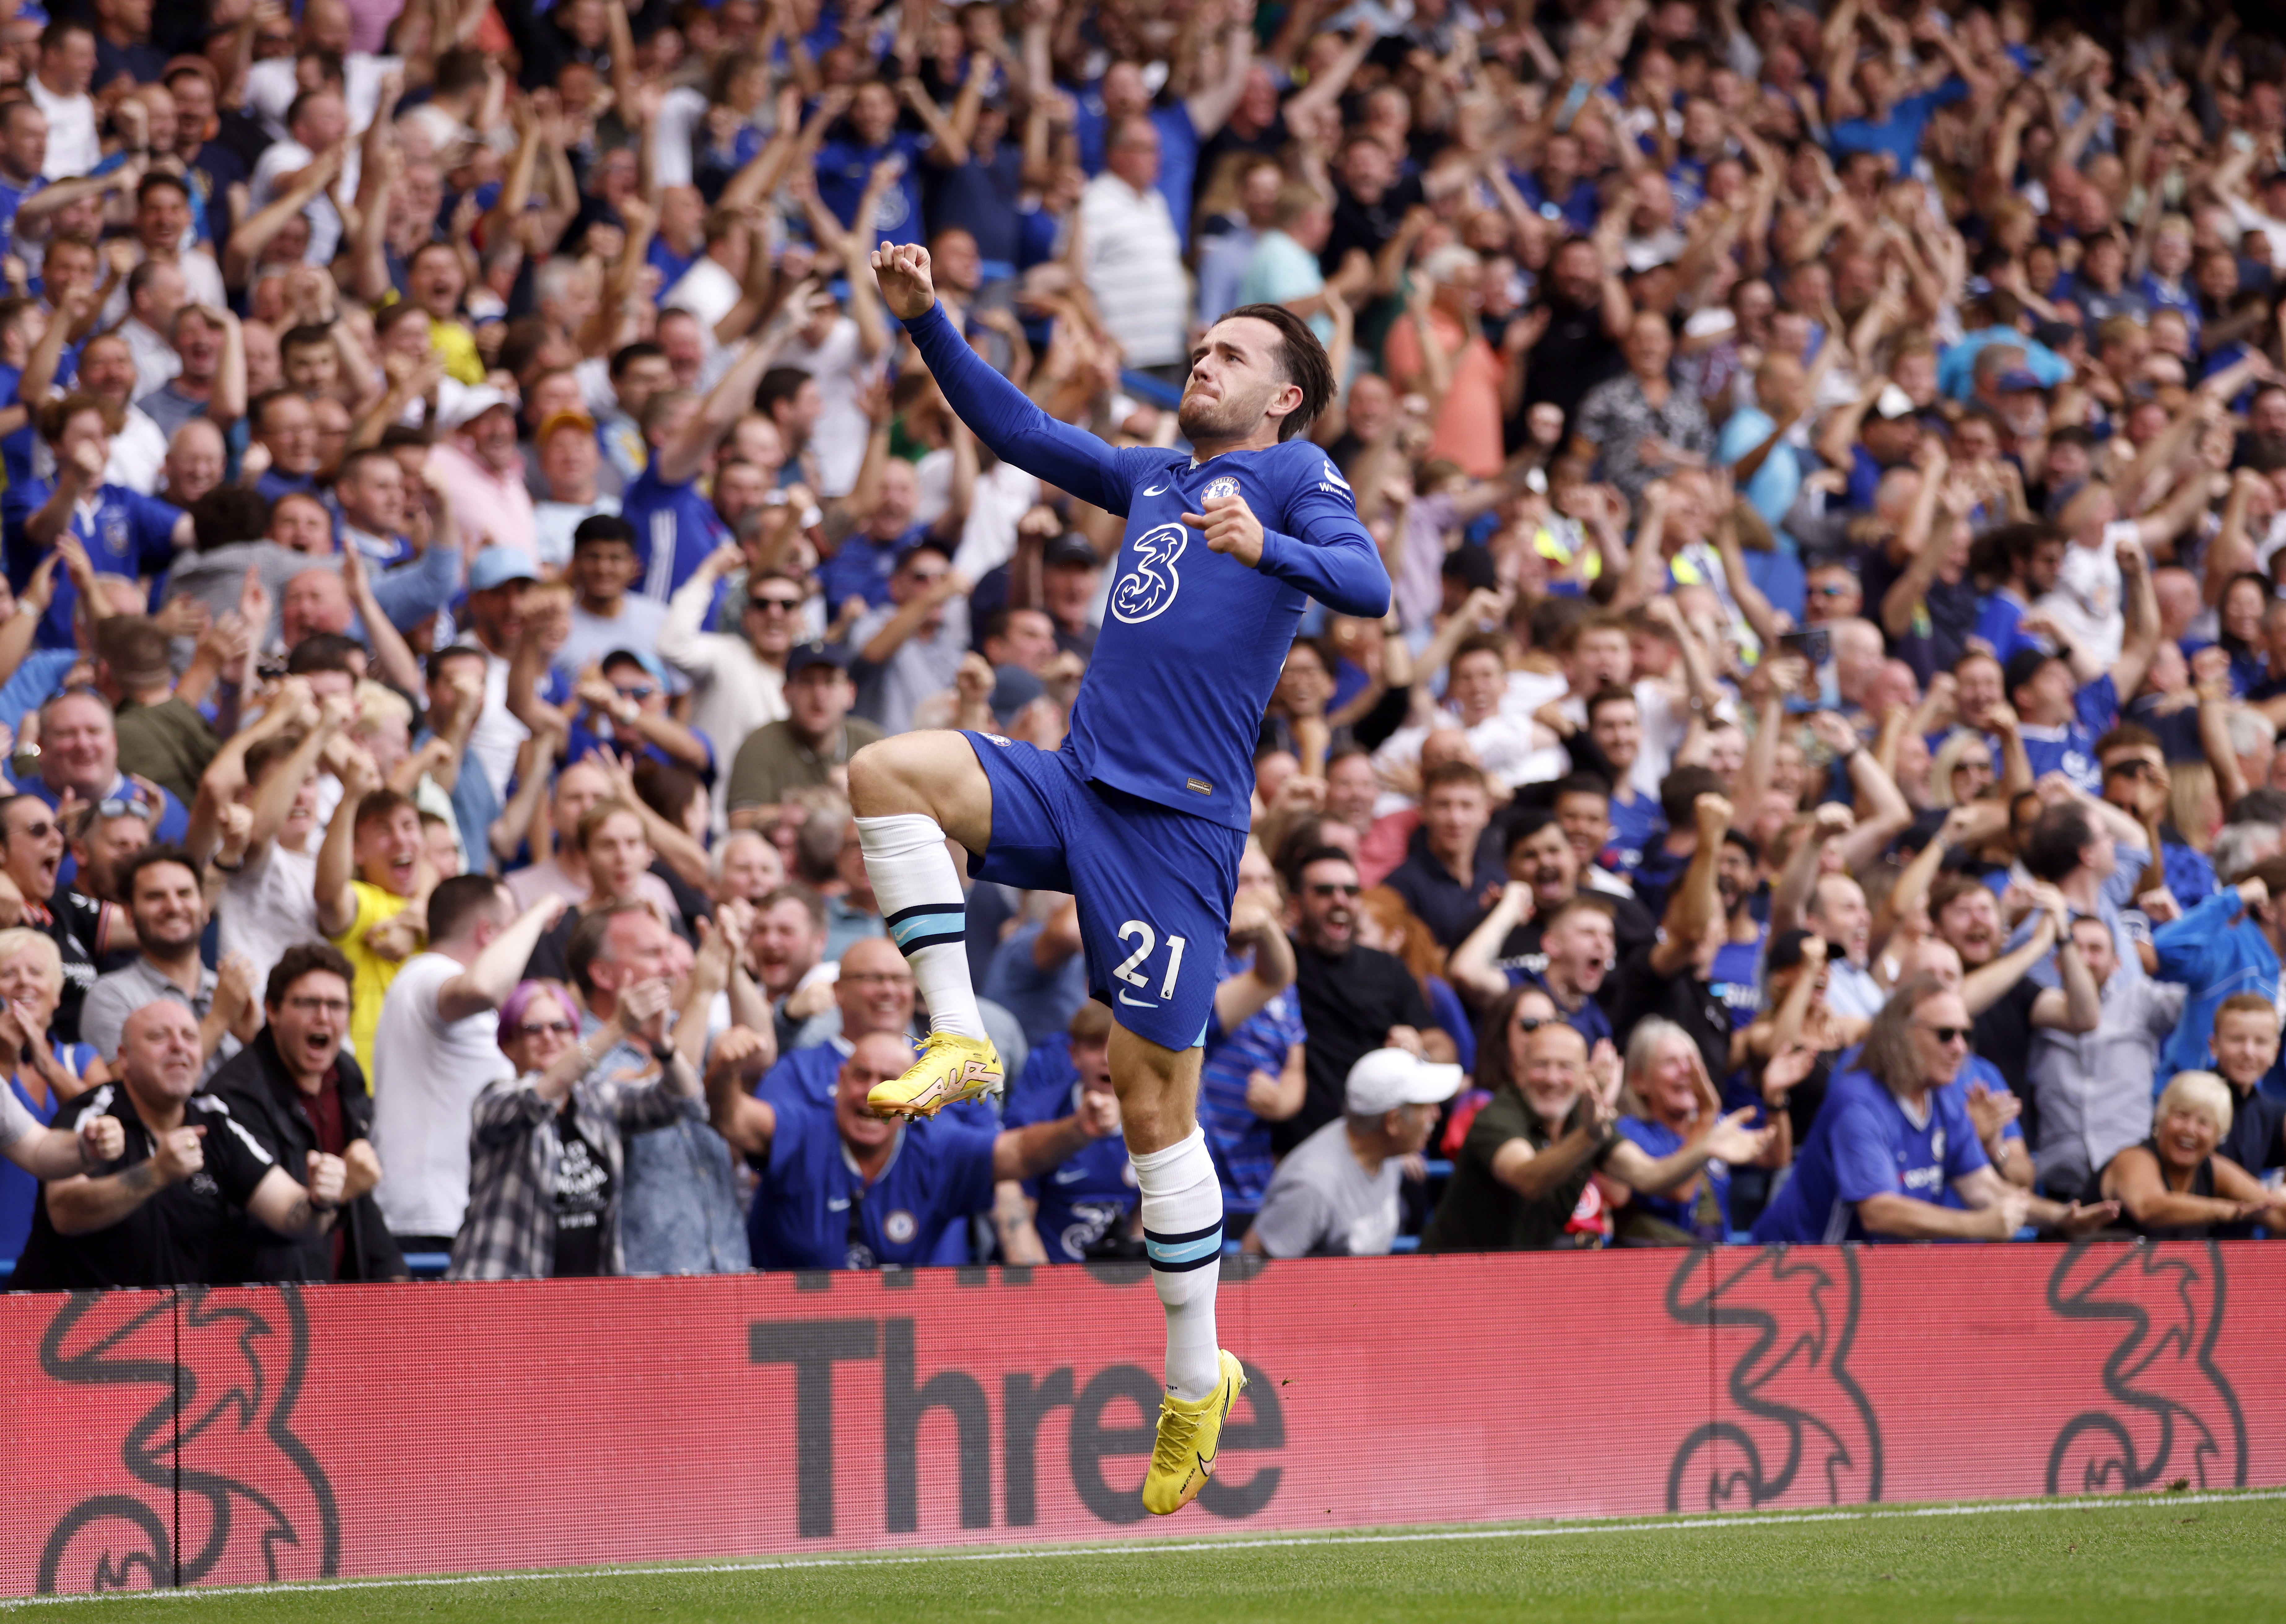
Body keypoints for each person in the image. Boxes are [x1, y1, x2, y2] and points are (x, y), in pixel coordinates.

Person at [849, 242, 1389, 1514]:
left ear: (1286, 395)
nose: (1202, 366)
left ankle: (1196, 1376)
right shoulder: (1156, 474)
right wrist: (928, 325)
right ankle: (957, 1035)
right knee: (888, 772)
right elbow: (1022, 428)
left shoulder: (1300, 477)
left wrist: (1270, 548)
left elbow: (1365, 587)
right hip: (1079, 781)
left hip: (1177, 833)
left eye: (1230, 357)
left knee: (1155, 1116)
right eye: (1198, 350)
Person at [704, 1027, 1119, 1272]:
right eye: (860, 1076)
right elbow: (734, 1119)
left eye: (890, 1079)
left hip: (898, 1353)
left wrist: (1078, 1128)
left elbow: (1019, 1153)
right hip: (783, 1342)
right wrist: (723, 1072)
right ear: (839, 1081)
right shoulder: (805, 1130)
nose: (874, 1091)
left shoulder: (937, 1148)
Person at [10, 1000, 356, 1290]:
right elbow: (65, 1212)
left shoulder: (214, 1118)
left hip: (182, 1340)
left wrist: (320, 1202)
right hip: (69, 1337)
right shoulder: (94, 1111)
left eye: (190, 1036)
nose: (178, 1046)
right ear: (124, 1058)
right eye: (159, 1036)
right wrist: (155, 1173)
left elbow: (291, 1216)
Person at [1751, 978, 2117, 1245]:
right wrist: (1976, 1226)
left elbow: (1984, 1188)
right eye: (1945, 1034)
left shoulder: (1942, 1097)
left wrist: (2059, 1217)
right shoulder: (1858, 1104)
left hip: (1854, 1279)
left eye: (1964, 1034)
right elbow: (1879, 1210)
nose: (1959, 1048)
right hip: (1793, 1270)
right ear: (1901, 1035)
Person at [449, 975, 700, 1279]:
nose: (548, 1037)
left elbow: (683, 1102)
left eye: (560, 1026)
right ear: (509, 1046)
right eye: (532, 1029)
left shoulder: (597, 1098)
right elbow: (538, 1098)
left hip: (584, 1302)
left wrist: (662, 1044)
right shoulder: (495, 1098)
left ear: (575, 1034)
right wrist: (618, 1028)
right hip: (502, 1296)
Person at [367, 875, 565, 1255]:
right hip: (429, 1218)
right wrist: (539, 911)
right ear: (489, 933)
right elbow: (483, 987)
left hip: (455, 1216)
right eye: (514, 929)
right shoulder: (428, 975)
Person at [204, 943, 401, 1283]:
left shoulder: (346, 1075)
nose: (324, 1017)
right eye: (308, 1003)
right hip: (264, 1306)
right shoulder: (236, 1093)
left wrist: (394, 1276)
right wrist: (340, 1191)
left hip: (340, 1295)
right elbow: (258, 1224)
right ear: (273, 1011)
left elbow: (361, 1208)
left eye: (336, 1005)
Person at [1419, 1005, 1620, 1254]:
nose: (1552, 1078)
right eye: (1530, 1024)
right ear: (1519, 1066)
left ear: (1583, 1073)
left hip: (1525, 1274)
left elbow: (1639, 1182)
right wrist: (1590, 1136)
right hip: (1457, 1273)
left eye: (1565, 1066)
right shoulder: (1485, 1107)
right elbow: (1527, 1179)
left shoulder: (1580, 1109)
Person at [1281, 847, 1442, 1153]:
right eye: (1324, 891)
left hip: (1383, 1144)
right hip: (1306, 1147)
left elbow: (1440, 1043)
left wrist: (1418, 1049)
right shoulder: (1282, 967)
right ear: (1296, 904)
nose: (1340, 900)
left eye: (1351, 891)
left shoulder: (1388, 968)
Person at [1243, 1045, 1460, 1259]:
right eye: (1426, 1106)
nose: (1437, 1114)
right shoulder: (1312, 1187)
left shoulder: (1385, 1150)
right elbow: (1251, 1266)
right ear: (1393, 1122)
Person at [78, 845, 255, 1080]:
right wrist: (219, 1020)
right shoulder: (110, 995)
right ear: (130, 916)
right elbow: (128, 1093)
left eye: (184, 893)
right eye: (155, 897)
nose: (173, 907)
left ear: (204, 908)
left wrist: (254, 1041)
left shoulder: (230, 991)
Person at [1606, 1018, 1778, 1245]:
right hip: (1661, 1269)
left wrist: (1776, 1099)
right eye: (1671, 1063)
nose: (1685, 1071)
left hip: (1721, 1260)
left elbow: (1775, 1157)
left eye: (1691, 1061)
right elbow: (1681, 1192)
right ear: (1640, 1081)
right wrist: (1707, 1115)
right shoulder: (1629, 1131)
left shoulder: (1715, 1122)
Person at [997, 1002, 1138, 1264]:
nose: (1107, 1058)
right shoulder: (1034, 1119)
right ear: (1074, 1055)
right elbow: (1016, 1214)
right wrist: (1047, 1294)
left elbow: (1152, 1217)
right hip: (1052, 1279)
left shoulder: (1155, 1121)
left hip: (1121, 1282)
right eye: (1095, 1046)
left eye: (1119, 1046)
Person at [0, 926, 107, 1263]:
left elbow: (109, 1127)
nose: (24, 983)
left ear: (58, 994)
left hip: (68, 1263)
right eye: (7, 973)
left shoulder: (81, 1059)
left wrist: (47, 1064)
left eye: (36, 972)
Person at [2101, 1072, 2286, 1238]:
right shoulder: (2134, 1158)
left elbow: (2278, 1215)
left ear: (2219, 1136)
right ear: (2161, 1118)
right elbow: (2149, 1208)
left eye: (2204, 1123)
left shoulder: (2214, 1168)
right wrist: (2226, 1211)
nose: (2190, 1130)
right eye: (2181, 1115)